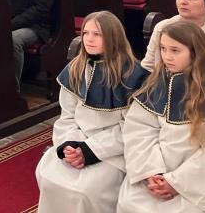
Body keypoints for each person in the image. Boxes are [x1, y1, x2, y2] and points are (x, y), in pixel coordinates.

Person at [36, 11, 148, 213]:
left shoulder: (133, 75)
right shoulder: (75, 68)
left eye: (97, 34)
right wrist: (69, 145)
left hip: (114, 151)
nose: (88, 39)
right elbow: (67, 117)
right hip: (77, 140)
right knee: (47, 175)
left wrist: (89, 151)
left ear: (113, 37)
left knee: (86, 190)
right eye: (85, 33)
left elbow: (132, 128)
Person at [118, 21, 205, 212]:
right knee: (130, 204)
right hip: (154, 171)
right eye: (163, 49)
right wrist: (151, 172)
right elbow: (138, 131)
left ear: (195, 52)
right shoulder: (156, 85)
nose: (167, 56)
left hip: (197, 181)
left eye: (175, 50)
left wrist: (176, 183)